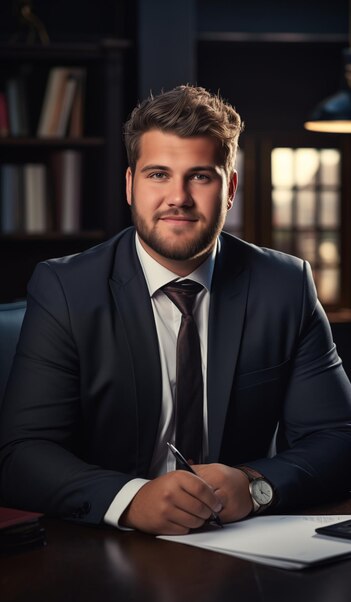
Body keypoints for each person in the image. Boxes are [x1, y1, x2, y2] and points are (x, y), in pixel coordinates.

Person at [0, 85, 351, 535]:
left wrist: (256, 485)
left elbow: (339, 439)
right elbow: (21, 455)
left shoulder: (284, 286)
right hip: (103, 546)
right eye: (158, 174)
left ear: (231, 188)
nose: (179, 197)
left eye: (200, 176)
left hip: (242, 542)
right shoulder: (66, 287)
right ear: (130, 185)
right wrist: (128, 498)